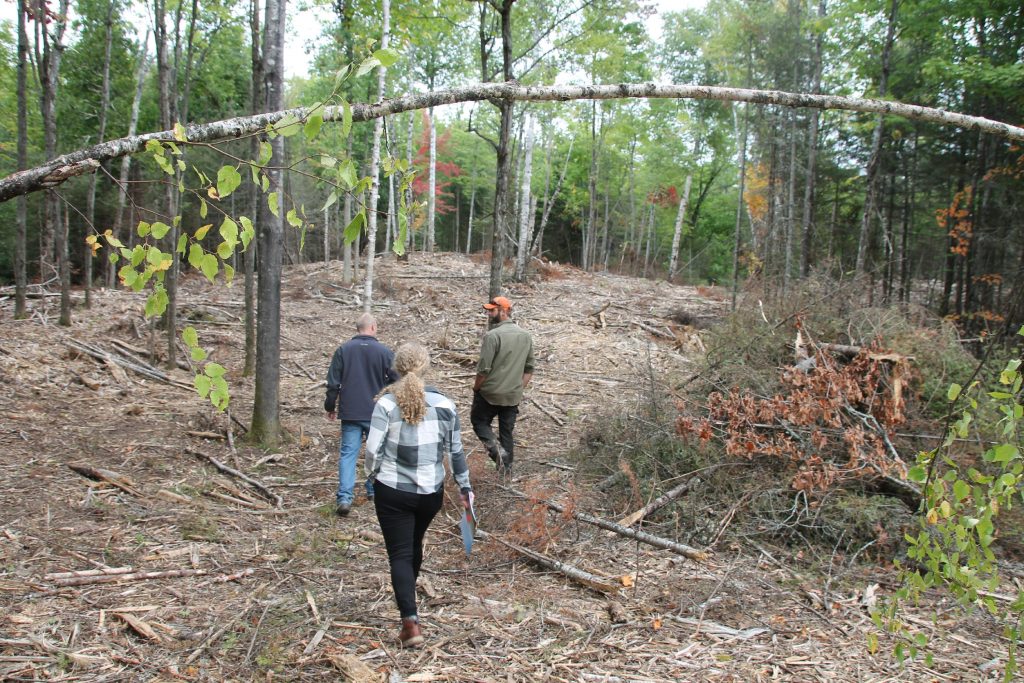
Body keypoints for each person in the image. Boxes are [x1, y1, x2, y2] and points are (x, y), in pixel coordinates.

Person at [364, 342, 473, 648]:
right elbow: (456, 452)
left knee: (399, 553)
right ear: (426, 367)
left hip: (393, 489)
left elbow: (373, 449)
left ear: (395, 368)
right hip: (430, 492)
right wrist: (465, 487)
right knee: (413, 545)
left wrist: (370, 475)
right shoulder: (446, 406)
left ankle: (410, 621)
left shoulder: (386, 404)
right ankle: (407, 601)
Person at [324, 313, 398, 516]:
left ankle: (344, 498)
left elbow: (333, 382)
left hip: (350, 411)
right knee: (376, 452)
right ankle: (374, 490)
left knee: (348, 454)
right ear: (373, 327)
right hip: (377, 412)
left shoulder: (343, 350)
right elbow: (396, 381)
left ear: (358, 328)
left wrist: (330, 406)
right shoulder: (384, 352)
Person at [471, 296, 534, 475]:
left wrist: (476, 388)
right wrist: (518, 389)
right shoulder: (526, 335)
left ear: (504, 311)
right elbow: (529, 368)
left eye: (492, 310)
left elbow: (483, 370)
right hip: (512, 395)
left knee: (479, 422)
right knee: (506, 433)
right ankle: (506, 472)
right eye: (489, 310)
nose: (489, 313)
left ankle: (499, 454)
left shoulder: (492, 336)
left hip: (489, 393)